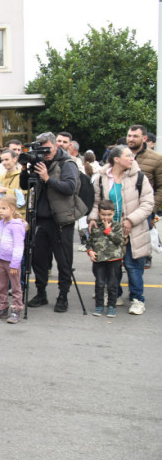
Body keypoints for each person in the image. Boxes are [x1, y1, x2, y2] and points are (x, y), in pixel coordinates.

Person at [89, 145, 154, 315]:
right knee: (112, 265)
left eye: (132, 156)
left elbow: (148, 203)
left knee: (133, 267)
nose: (132, 158)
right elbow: (96, 202)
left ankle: (137, 299)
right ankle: (114, 295)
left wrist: (131, 220)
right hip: (108, 230)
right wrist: (93, 219)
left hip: (133, 229)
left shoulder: (139, 177)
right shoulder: (101, 178)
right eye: (128, 156)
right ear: (116, 159)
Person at [26, 131, 82, 313]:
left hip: (60, 220)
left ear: (56, 145)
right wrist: (27, 169)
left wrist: (47, 179)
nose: (46, 153)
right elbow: (24, 185)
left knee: (64, 261)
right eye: (42, 150)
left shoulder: (67, 163)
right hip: (40, 219)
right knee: (39, 260)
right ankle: (41, 293)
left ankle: (63, 296)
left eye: (48, 149)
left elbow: (69, 188)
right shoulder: (39, 163)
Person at [0, 196, 27, 323]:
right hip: (1, 260)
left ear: (12, 209)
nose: (0, 211)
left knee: (15, 287)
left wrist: (15, 264)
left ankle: (16, 309)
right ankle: (2, 307)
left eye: (4, 208)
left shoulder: (16, 226)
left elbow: (19, 246)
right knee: (2, 285)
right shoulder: (0, 223)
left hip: (12, 262)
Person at [125, 124, 162, 269]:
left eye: (135, 136)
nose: (131, 139)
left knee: (138, 253)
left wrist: (151, 210)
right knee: (118, 252)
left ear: (144, 138)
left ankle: (136, 290)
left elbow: (160, 188)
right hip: (120, 210)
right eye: (129, 136)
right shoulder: (119, 155)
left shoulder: (157, 159)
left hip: (143, 211)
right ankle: (115, 290)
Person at [86, 199, 125, 318]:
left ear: (113, 213)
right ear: (99, 213)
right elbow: (89, 242)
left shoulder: (117, 226)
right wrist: (90, 251)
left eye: (109, 214)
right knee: (99, 284)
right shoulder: (96, 226)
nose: (106, 217)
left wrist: (108, 230)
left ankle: (112, 306)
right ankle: (99, 305)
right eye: (103, 214)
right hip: (99, 260)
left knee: (113, 284)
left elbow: (120, 240)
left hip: (114, 260)